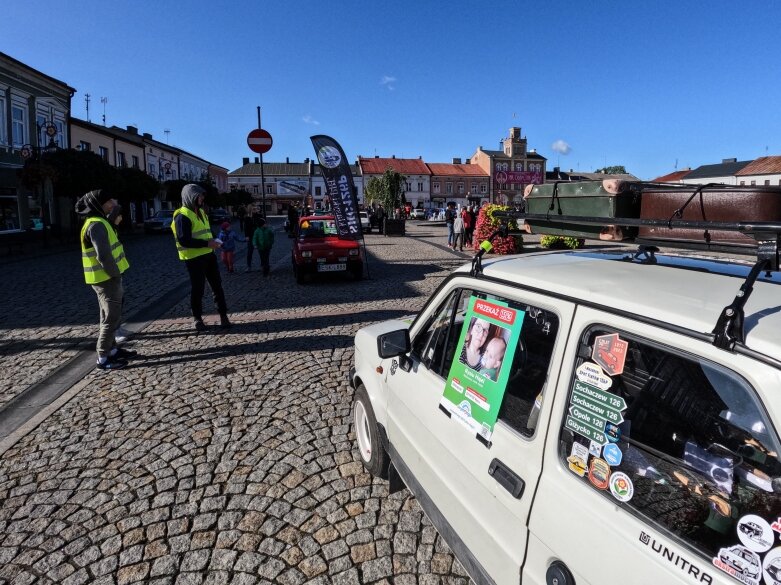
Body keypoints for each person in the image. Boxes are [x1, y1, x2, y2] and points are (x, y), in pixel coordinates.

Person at [75, 189, 136, 370]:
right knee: (111, 318)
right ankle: (103, 358)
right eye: (109, 201)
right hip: (107, 279)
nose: (112, 203)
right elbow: (104, 256)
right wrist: (115, 274)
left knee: (108, 316)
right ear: (98, 204)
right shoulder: (96, 224)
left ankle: (113, 351)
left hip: (106, 278)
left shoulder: (100, 222)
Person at [172, 184, 230, 331]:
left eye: (202, 195)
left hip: (209, 255)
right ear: (190, 197)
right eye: (200, 195)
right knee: (198, 289)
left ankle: (223, 316)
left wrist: (215, 241)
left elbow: (206, 232)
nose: (202, 198)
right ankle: (197, 319)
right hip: (194, 259)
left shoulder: (202, 212)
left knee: (217, 286)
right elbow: (184, 240)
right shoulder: (182, 216)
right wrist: (207, 243)